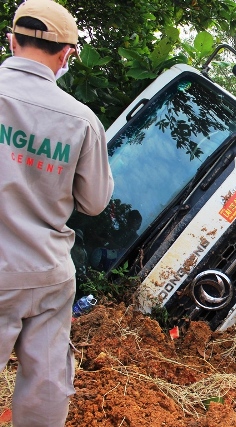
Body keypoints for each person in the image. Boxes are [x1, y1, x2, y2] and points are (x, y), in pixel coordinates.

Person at [0, 1, 114, 426]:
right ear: (66, 54)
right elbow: (95, 202)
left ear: (12, 39)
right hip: (48, 272)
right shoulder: (81, 121)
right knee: (47, 384)